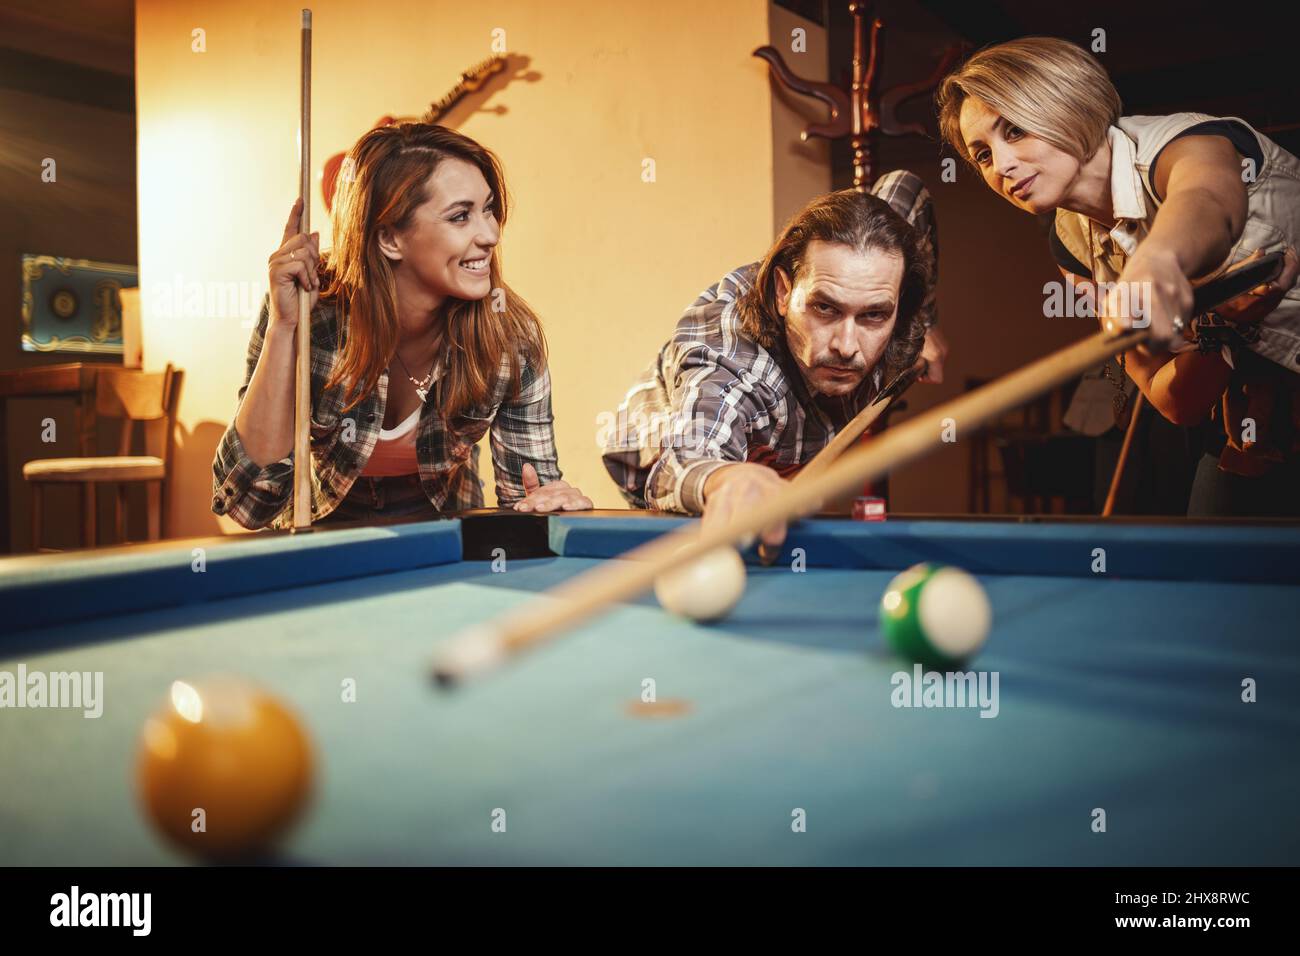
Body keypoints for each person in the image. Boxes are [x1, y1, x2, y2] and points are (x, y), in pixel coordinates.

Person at [936, 36, 1300, 516]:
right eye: (982, 154)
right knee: (1203, 582)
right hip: (1256, 430)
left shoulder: (1184, 143)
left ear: (1070, 105)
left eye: (1017, 130)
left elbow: (1208, 200)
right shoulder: (1071, 246)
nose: (1002, 165)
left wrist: (1156, 262)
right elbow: (1176, 403)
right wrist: (1223, 327)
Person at [213, 124, 592, 529]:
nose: (491, 233)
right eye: (461, 216)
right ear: (390, 238)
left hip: (444, 530)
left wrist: (548, 504)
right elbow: (251, 504)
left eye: (488, 209)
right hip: (323, 532)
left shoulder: (510, 338)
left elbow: (528, 502)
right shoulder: (311, 310)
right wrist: (284, 327)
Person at [602, 177, 938, 552]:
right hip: (667, 472)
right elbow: (685, 458)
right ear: (783, 292)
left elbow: (905, 188)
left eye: (874, 315)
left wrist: (922, 320)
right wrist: (725, 480)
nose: (846, 347)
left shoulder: (888, 268)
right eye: (825, 308)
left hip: (784, 448)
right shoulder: (739, 365)